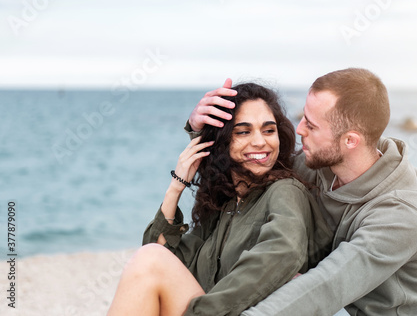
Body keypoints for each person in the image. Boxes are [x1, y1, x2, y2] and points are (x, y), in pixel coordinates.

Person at [186, 69, 417, 316]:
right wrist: (203, 130)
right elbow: (245, 170)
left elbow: (327, 287)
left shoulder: (400, 217)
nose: (299, 130)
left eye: (312, 126)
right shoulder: (314, 166)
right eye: (303, 117)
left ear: (350, 140)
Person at [107, 83, 332, 316]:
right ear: (222, 142)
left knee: (150, 259)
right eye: (243, 131)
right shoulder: (222, 207)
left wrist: (204, 312)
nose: (259, 142)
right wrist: (176, 187)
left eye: (268, 130)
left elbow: (284, 253)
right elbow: (161, 262)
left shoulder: (284, 190)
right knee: (151, 258)